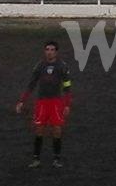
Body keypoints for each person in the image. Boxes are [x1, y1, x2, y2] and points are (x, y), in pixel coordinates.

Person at [16, 40, 74, 169]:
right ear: (44, 51)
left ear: (56, 52)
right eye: (47, 49)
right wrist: (21, 101)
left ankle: (57, 159)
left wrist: (67, 105)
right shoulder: (39, 66)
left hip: (56, 102)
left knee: (57, 130)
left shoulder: (62, 66)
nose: (49, 52)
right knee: (39, 130)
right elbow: (31, 85)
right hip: (42, 102)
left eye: (52, 49)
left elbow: (67, 87)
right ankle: (36, 159)